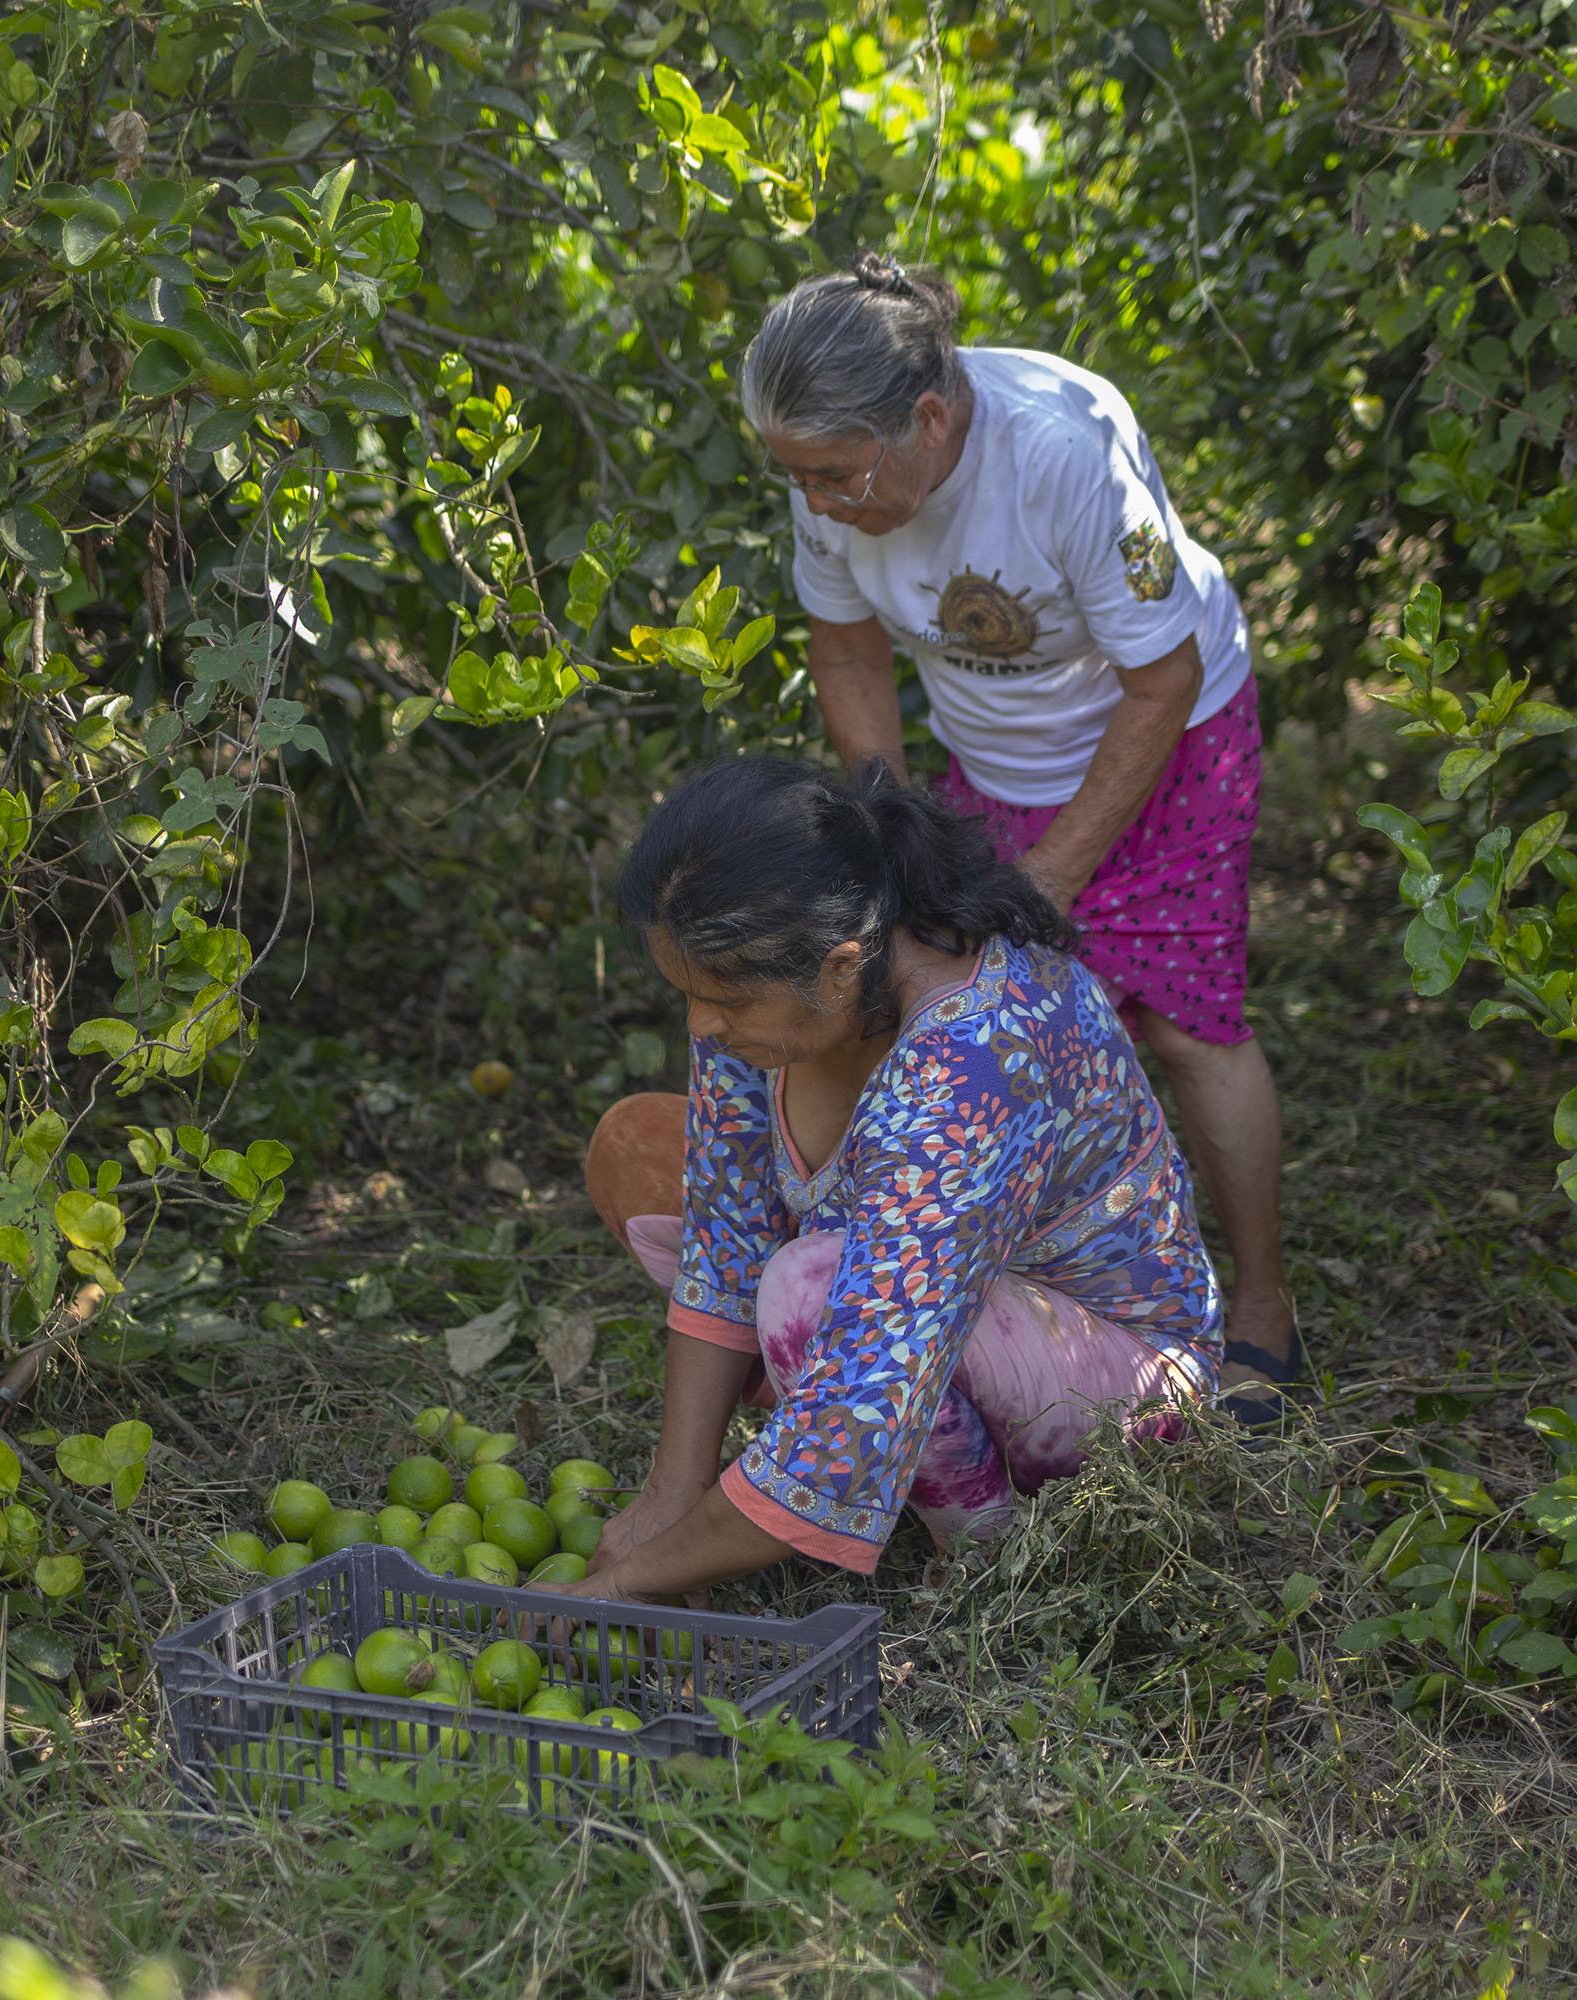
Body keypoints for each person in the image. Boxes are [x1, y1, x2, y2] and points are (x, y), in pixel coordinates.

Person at [731, 251, 1299, 1415]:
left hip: (1167, 738)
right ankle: (1015, 1294)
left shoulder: (1061, 448)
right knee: (965, 1011)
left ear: (929, 418)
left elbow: (1161, 675)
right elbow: (846, 651)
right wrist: (892, 825)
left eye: (835, 474)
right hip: (986, 762)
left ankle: (1259, 1306)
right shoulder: (827, 475)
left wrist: (1049, 875)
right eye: (796, 476)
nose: (818, 502)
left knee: (1184, 1024)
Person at [544, 756, 1225, 1603]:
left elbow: (865, 1391)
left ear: (839, 966)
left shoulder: (974, 1060)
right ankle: (857, 1477)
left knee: (809, 1294)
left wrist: (630, 1582)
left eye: (722, 999)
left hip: (1119, 1382)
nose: (699, 1022)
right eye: (686, 991)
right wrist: (668, 1497)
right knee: (645, 1158)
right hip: (937, 1304)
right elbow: (724, 1239)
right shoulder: (768, 993)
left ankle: (985, 1559)